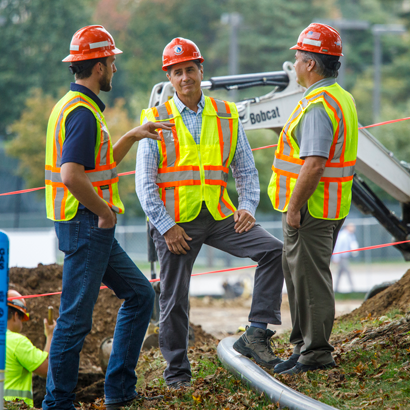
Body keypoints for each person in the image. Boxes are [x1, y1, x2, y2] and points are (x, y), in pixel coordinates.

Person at [136, 37, 284, 388]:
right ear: (169, 78)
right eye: (177, 72)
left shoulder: (226, 113)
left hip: (219, 215)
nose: (185, 77)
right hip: (176, 224)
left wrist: (247, 206)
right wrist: (167, 227)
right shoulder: (155, 119)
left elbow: (246, 169)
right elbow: (145, 184)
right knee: (174, 297)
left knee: (274, 252)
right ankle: (177, 374)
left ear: (201, 71)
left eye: (190, 69)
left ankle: (257, 333)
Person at [43, 25, 172, 410]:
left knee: (139, 294)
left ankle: (119, 391)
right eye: (111, 61)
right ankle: (57, 403)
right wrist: (103, 214)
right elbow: (72, 175)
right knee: (74, 322)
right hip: (86, 225)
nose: (114, 67)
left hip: (87, 225)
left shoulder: (72, 106)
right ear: (98, 66)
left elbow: (96, 166)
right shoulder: (82, 114)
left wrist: (131, 136)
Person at [267, 23, 358, 375]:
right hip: (329, 207)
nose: (295, 62)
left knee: (311, 282)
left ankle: (315, 353)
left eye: (298, 57)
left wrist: (293, 208)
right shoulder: (341, 97)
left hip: (311, 211)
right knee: (300, 278)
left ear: (309, 64)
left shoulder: (319, 105)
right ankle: (303, 348)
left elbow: (315, 162)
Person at [5, 290, 56, 407]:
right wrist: (50, 335)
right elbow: (47, 368)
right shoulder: (16, 341)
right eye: (22, 318)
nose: (22, 324)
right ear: (15, 315)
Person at [332, 223, 359, 292]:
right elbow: (337, 247)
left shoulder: (351, 235)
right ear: (348, 227)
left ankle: (336, 289)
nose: (353, 229)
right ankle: (353, 289)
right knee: (348, 272)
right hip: (342, 257)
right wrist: (335, 258)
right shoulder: (342, 236)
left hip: (346, 257)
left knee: (339, 273)